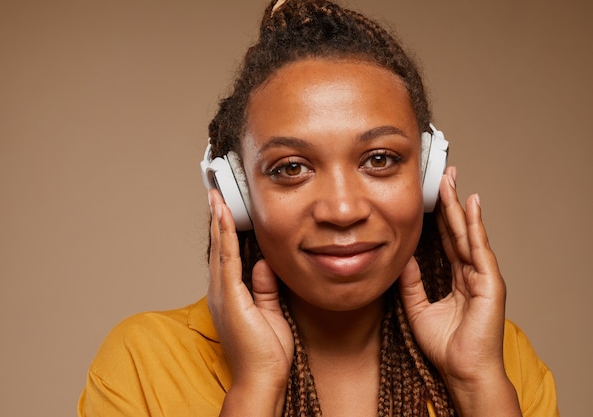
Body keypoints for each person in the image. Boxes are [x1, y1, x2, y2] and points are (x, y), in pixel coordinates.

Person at [77, 1, 559, 416]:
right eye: (291, 168)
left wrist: (478, 384)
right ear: (238, 195)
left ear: (430, 179)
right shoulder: (143, 361)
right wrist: (257, 386)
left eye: (380, 159)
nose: (343, 209)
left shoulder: (499, 358)